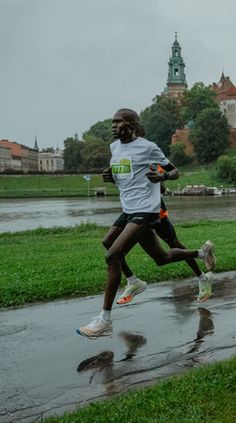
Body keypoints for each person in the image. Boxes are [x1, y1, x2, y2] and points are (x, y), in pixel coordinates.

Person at [78, 108, 216, 339]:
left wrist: (162, 177)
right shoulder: (114, 148)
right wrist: (111, 177)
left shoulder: (148, 147)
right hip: (129, 210)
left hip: (147, 210)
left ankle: (105, 320)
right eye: (112, 122)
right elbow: (123, 176)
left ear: (131, 124)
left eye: (118, 122)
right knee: (158, 257)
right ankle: (201, 254)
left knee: (113, 255)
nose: (113, 126)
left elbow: (174, 172)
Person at [115, 170, 213, 305]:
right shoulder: (125, 159)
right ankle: (132, 281)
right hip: (134, 211)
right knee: (115, 247)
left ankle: (202, 275)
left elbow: (162, 188)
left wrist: (158, 178)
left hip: (154, 212)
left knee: (173, 246)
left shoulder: (149, 160)